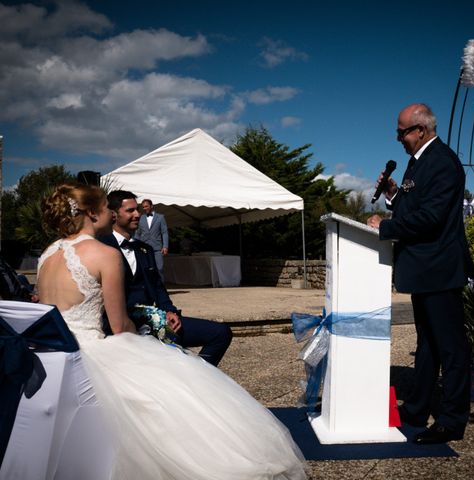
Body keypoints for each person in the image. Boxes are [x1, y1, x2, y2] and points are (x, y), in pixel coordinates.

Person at [36, 183, 307, 479]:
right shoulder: (103, 253)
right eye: (104, 207)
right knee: (174, 395)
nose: (108, 213)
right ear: (92, 213)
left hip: (54, 354)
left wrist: (165, 316)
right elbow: (119, 326)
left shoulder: (47, 255)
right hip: (95, 349)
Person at [368, 103, 474, 445]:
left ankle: (452, 421)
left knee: (451, 348)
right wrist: (393, 195)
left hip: (440, 268)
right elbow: (414, 207)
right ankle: (416, 409)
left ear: (421, 130)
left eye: (402, 132)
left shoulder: (442, 161)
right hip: (424, 270)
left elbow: (430, 218)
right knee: (427, 344)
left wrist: (386, 227)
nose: (397, 138)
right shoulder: (419, 162)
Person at [98, 190, 232, 367]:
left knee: (221, 333)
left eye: (137, 209)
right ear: (114, 215)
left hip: (158, 320)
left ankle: (197, 376)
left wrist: (170, 311)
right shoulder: (100, 246)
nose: (137, 214)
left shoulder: (144, 249)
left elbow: (157, 286)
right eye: (131, 210)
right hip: (124, 326)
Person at [134, 198, 169, 279]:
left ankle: (161, 290)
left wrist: (165, 246)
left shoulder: (160, 217)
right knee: (147, 270)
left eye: (146, 206)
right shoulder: (141, 218)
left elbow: (164, 232)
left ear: (151, 206)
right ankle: (150, 290)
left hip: (157, 248)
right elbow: (137, 233)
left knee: (159, 268)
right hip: (144, 248)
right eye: (143, 207)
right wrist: (136, 245)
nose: (145, 208)